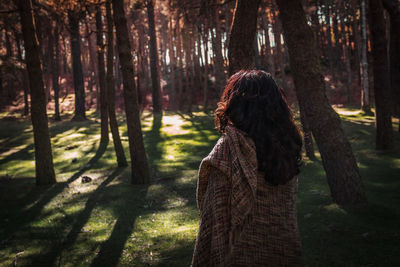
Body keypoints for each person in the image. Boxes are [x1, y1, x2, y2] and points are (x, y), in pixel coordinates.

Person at [191, 70, 303, 266]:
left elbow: (213, 221)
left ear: (236, 105)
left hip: (240, 257)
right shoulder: (288, 144)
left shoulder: (229, 149)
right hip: (284, 252)